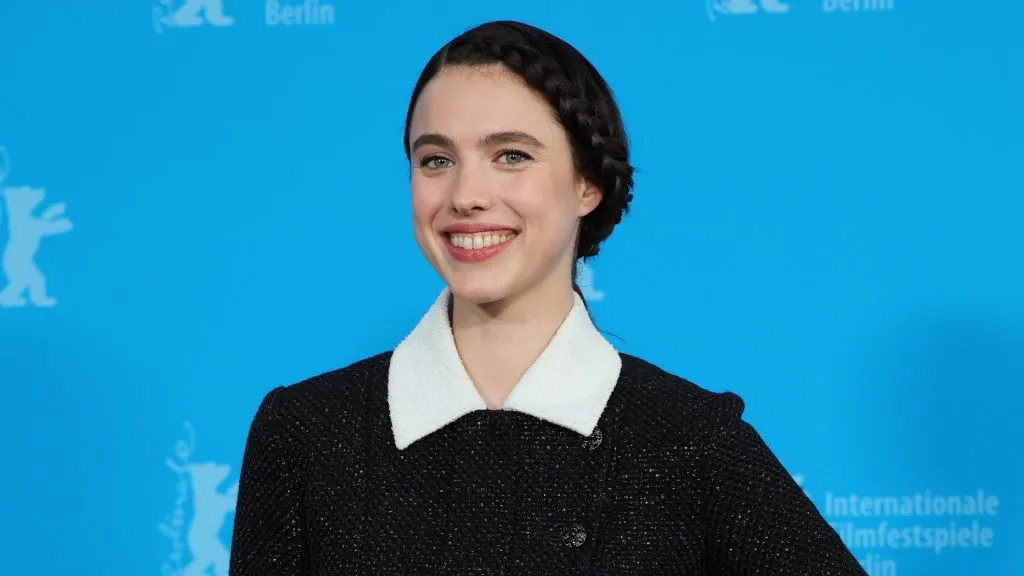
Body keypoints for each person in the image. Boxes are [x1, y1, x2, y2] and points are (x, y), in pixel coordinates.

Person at [229, 20, 866, 575]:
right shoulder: (305, 435)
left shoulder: (689, 443)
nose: (466, 195)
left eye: (510, 155)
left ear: (587, 182)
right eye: (435, 160)